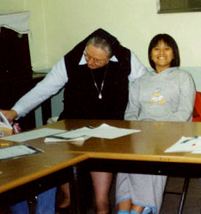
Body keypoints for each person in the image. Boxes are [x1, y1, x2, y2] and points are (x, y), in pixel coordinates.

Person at [1, 28, 147, 214]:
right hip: (73, 123)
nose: (91, 62)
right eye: (88, 57)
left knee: (101, 176)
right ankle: (68, 198)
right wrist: (16, 111)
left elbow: (145, 85)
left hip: (110, 126)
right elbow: (45, 88)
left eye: (98, 60)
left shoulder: (126, 57)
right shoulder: (71, 59)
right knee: (54, 154)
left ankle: (101, 203)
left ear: (109, 58)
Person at [116, 34, 196, 214]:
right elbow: (130, 112)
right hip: (141, 132)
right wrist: (140, 129)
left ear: (174, 54)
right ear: (150, 54)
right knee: (124, 155)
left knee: (148, 153)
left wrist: (158, 128)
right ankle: (124, 210)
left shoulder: (183, 77)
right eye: (156, 48)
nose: (161, 53)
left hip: (171, 132)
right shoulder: (140, 81)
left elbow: (185, 111)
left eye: (167, 48)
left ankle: (138, 209)